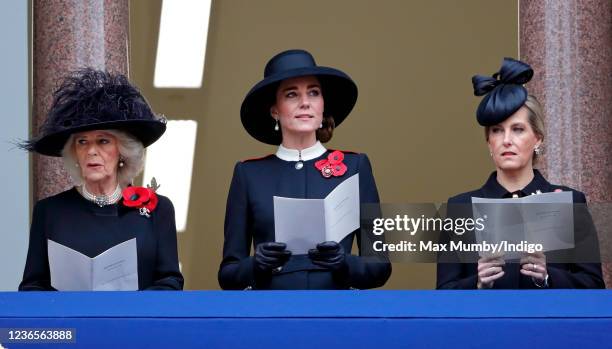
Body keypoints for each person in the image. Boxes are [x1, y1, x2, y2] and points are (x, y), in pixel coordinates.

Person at [218, 49, 391, 290]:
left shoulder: (355, 167)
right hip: (271, 314)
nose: (305, 102)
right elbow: (228, 273)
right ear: (275, 110)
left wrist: (344, 263)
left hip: (337, 314)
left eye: (314, 92)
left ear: (323, 106)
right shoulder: (249, 174)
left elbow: (380, 265)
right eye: (291, 94)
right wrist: (256, 264)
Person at [436, 58, 604, 289]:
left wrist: (547, 277)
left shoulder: (570, 202)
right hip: (485, 325)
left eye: (517, 129)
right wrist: (477, 283)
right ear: (488, 142)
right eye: (497, 130)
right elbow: (443, 294)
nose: (506, 140)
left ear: (537, 138)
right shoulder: (459, 207)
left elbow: (594, 287)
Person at [19, 68, 183, 291]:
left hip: (135, 324)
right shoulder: (49, 211)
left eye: (103, 141)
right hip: (70, 324)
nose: (91, 151)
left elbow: (170, 283)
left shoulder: (158, 210)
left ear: (122, 151)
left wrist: (124, 309)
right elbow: (32, 288)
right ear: (74, 153)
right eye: (82, 142)